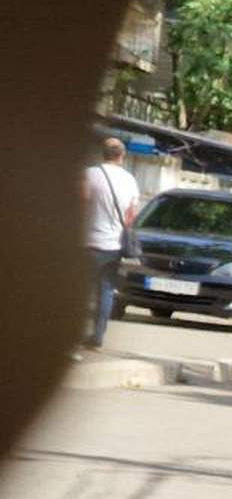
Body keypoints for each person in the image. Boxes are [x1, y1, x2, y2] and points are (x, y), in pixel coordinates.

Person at [82, 137, 140, 350]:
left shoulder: (90, 175)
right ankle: (97, 336)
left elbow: (81, 202)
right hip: (114, 245)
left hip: (88, 242)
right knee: (105, 291)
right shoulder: (130, 180)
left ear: (102, 153)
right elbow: (131, 216)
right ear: (122, 156)